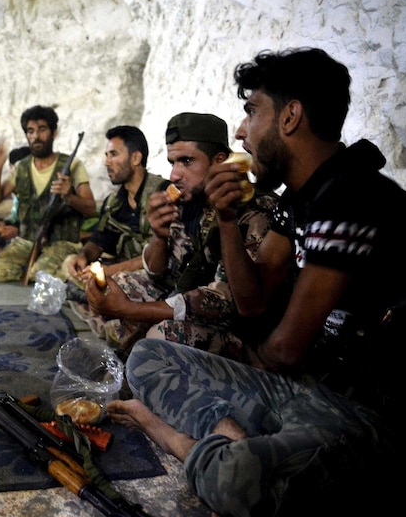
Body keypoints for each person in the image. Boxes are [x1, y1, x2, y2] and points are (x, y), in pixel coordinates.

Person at [107, 48, 406, 517]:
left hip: (365, 414)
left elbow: (285, 349)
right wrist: (227, 220)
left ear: (290, 116)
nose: (242, 131)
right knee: (148, 356)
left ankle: (188, 444)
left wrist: (234, 376)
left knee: (235, 476)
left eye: (252, 111)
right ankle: (238, 445)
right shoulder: (301, 197)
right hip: (308, 386)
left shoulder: (349, 197)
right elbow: (253, 303)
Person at [82, 113, 278, 358]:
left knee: (162, 336)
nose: (174, 175)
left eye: (186, 161)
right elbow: (157, 273)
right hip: (184, 299)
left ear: (219, 162)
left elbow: (223, 302)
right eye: (173, 162)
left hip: (240, 331)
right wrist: (159, 236)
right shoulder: (188, 201)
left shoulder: (255, 210)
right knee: (115, 286)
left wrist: (130, 310)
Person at [0, 105, 97, 281]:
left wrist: (69, 196)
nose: (36, 136)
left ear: (54, 133)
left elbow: (91, 208)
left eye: (42, 130)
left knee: (40, 275)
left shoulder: (73, 165)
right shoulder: (22, 167)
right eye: (30, 131)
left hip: (62, 242)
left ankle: (65, 267)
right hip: (27, 240)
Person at [65, 125, 168, 287]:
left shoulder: (163, 194)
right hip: (124, 271)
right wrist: (83, 256)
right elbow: (99, 242)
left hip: (157, 274)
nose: (107, 162)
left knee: (117, 285)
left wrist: (111, 270)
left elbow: (164, 255)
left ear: (135, 158)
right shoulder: (113, 202)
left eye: (113, 154)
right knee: (70, 266)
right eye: (106, 155)